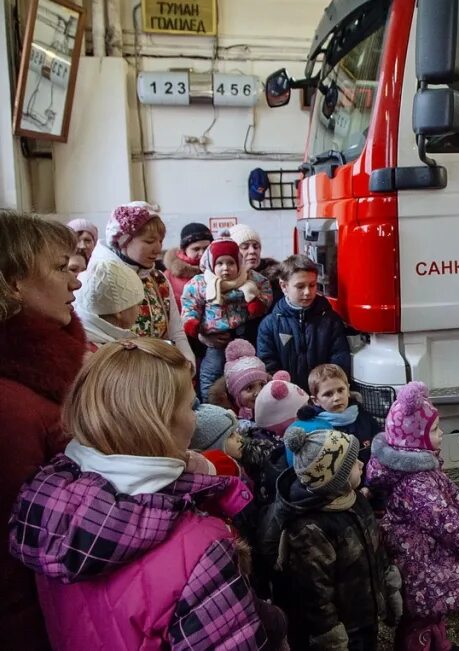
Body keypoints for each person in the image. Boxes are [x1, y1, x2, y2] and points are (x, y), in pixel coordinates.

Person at [7, 338, 271, 649]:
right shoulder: (202, 549)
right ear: (156, 423)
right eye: (189, 406)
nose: (195, 418)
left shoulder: (48, 512)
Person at [0, 210, 85, 647]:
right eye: (59, 268)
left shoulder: (50, 372)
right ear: (13, 283)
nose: (75, 282)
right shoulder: (11, 405)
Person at [366, 381, 459, 651]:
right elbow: (446, 522)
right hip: (424, 571)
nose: (442, 433)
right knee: (420, 622)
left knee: (430, 617)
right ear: (414, 438)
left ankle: (439, 644)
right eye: (434, 429)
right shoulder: (417, 483)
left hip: (423, 565)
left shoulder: (417, 472)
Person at [269, 426, 403, 650]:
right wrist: (331, 636)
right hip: (345, 628)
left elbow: (376, 548)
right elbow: (316, 593)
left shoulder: (354, 500)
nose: (361, 464)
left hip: (365, 614)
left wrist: (389, 588)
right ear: (334, 480)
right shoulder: (309, 530)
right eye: (352, 464)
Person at [90, 201, 195, 365]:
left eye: (160, 240)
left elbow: (176, 332)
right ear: (124, 241)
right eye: (149, 241)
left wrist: (188, 363)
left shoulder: (158, 279)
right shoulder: (102, 281)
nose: (158, 248)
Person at [181, 238, 271, 398]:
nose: (225, 268)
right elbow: (190, 302)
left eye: (230, 263)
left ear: (238, 262)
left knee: (248, 372)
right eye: (219, 263)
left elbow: (265, 290)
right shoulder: (202, 283)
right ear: (211, 265)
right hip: (216, 339)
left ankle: (250, 404)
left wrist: (259, 303)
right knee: (212, 370)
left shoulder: (250, 279)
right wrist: (192, 322)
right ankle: (209, 404)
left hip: (244, 337)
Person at [258, 254, 352, 392]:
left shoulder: (330, 320)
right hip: (287, 399)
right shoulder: (269, 325)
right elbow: (268, 365)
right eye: (300, 286)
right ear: (284, 286)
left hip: (324, 398)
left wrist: (329, 392)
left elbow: (339, 359)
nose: (308, 292)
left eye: (312, 285)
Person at [305, 362, 380, 461]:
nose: (336, 398)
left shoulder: (362, 414)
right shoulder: (316, 430)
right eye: (328, 394)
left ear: (348, 390)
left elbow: (378, 439)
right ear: (316, 400)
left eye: (340, 390)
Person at [74, 257, 146, 352]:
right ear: (119, 312)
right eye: (138, 305)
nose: (140, 311)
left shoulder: (85, 337)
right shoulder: (100, 353)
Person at [208, 338, 272, 421]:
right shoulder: (223, 420)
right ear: (234, 393)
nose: (258, 393)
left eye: (262, 385)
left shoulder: (273, 408)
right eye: (249, 388)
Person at [165, 222, 214, 311]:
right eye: (196, 249)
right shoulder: (169, 276)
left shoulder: (220, 269)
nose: (202, 253)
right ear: (184, 250)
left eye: (206, 248)